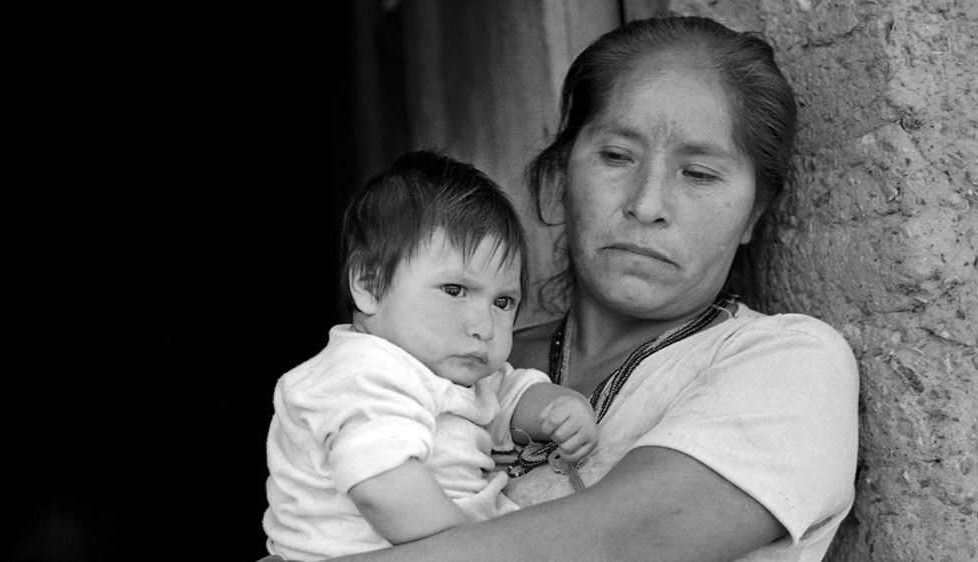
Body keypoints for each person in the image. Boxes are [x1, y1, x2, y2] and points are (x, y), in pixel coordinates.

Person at [313, 14, 859, 562]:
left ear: (752, 217)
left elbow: (615, 543)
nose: (646, 205)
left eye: (698, 174)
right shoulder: (456, 365)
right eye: (617, 156)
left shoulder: (787, 365)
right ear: (560, 176)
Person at [261, 150, 599, 561]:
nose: (484, 326)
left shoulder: (457, 375)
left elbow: (511, 396)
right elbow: (383, 489)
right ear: (368, 285)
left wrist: (562, 407)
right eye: (454, 290)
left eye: (504, 301)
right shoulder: (361, 374)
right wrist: (476, 548)